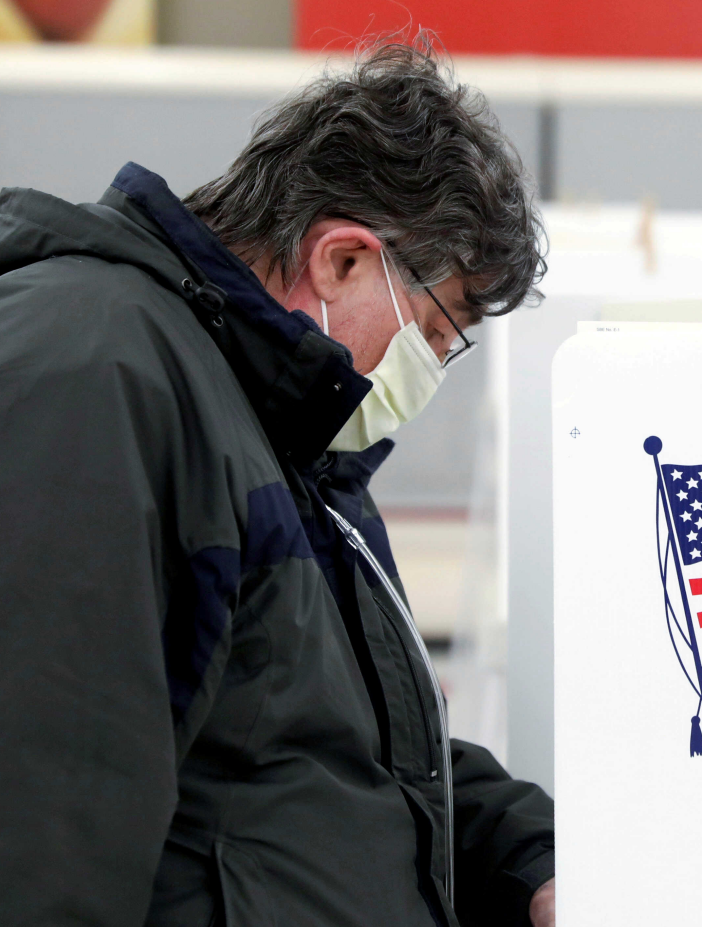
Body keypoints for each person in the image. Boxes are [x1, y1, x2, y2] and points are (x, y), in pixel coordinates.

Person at [0, 35, 555, 927]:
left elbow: (343, 753)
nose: (430, 372)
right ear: (341, 259)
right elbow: (43, 812)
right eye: (435, 333)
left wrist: (531, 854)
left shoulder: (276, 426)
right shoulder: (98, 374)